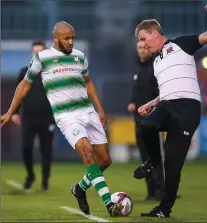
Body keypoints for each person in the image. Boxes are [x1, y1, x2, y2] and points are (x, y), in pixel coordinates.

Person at [1, 21, 120, 217]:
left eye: (72, 38)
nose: (71, 42)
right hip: (66, 116)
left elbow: (88, 82)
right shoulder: (42, 58)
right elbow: (24, 85)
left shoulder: (80, 57)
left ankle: (79, 189)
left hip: (88, 111)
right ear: (56, 38)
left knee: (105, 160)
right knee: (88, 154)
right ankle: (109, 203)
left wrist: (100, 109)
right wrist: (10, 111)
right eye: (67, 38)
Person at [133, 4, 207, 218]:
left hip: (187, 109)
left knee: (173, 164)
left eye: (143, 38)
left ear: (154, 33)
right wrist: (152, 103)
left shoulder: (181, 44)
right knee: (146, 125)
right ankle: (154, 161)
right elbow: (167, 91)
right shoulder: (156, 63)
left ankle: (164, 209)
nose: (142, 44)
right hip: (167, 105)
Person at [11, 40, 55, 191]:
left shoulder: (52, 73)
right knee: (26, 147)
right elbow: (18, 94)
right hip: (28, 118)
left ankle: (45, 180)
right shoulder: (24, 72)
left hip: (47, 118)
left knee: (46, 150)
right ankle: (30, 175)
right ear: (31, 54)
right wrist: (15, 113)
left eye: (40, 52)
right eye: (35, 52)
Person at [128, 41, 164, 200]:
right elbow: (136, 94)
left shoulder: (155, 68)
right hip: (138, 122)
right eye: (139, 48)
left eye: (145, 48)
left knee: (156, 157)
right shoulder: (136, 70)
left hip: (153, 122)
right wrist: (132, 103)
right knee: (145, 158)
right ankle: (151, 192)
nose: (142, 50)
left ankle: (162, 192)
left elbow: (161, 95)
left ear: (150, 50)